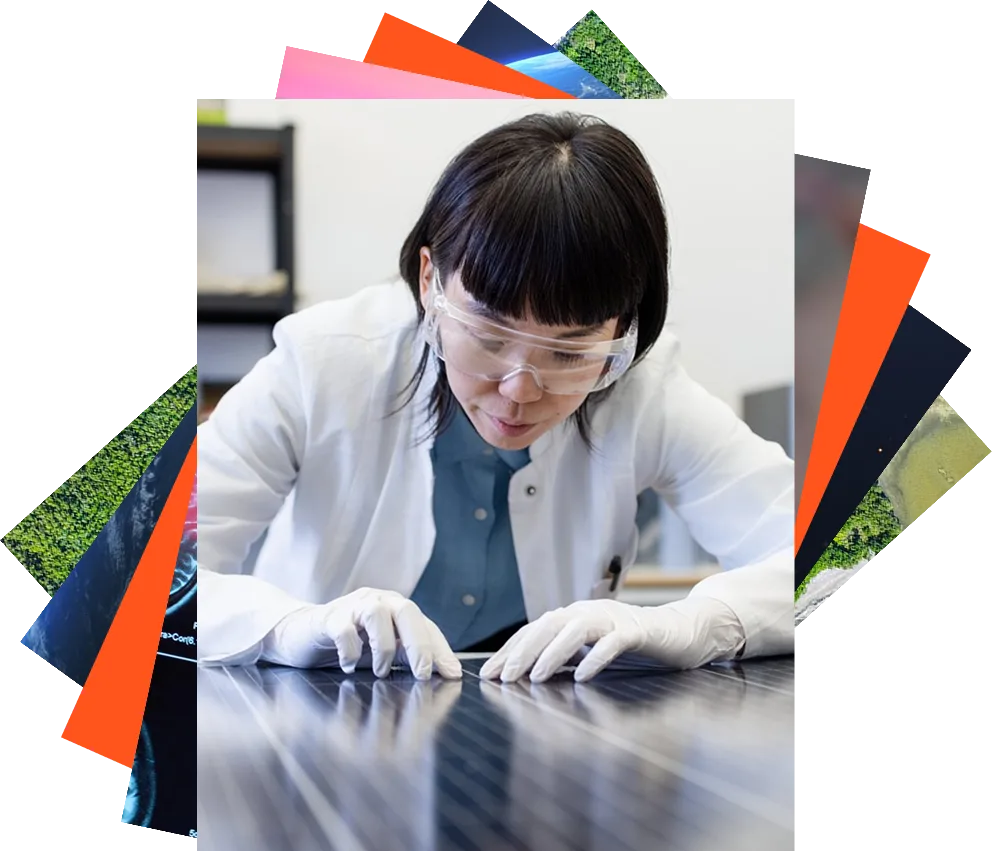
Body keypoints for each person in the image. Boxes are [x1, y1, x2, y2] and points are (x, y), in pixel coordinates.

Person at [198, 111, 793, 683]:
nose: (519, 391)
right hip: (314, 729)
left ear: (623, 329)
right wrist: (288, 628)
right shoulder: (323, 360)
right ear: (430, 281)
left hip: (544, 728)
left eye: (568, 353)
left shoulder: (646, 387)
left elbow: (846, 544)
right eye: (487, 336)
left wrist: (700, 625)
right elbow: (134, 564)